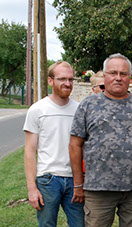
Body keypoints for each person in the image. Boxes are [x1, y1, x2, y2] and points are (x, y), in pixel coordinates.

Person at [69, 53, 132, 227]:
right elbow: (75, 145)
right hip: (98, 188)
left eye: (123, 74)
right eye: (113, 73)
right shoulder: (88, 105)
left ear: (130, 78)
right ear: (105, 75)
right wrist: (78, 184)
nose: (118, 78)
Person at [23, 61, 84, 226]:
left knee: (80, 224)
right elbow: (29, 151)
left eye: (71, 79)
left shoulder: (80, 110)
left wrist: (82, 181)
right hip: (48, 180)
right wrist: (32, 189)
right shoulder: (38, 110)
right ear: (50, 81)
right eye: (62, 79)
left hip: (75, 180)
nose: (67, 83)